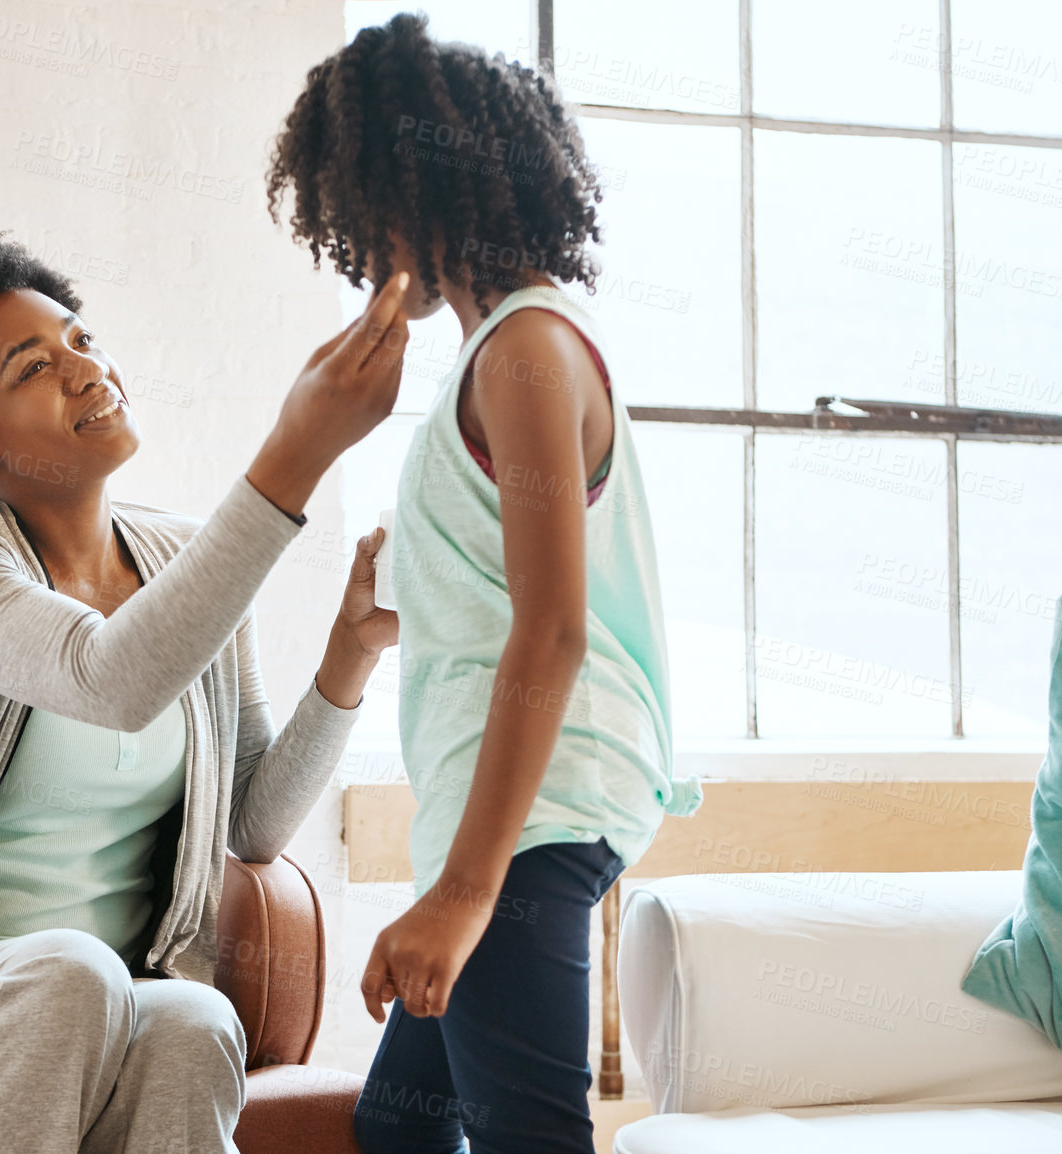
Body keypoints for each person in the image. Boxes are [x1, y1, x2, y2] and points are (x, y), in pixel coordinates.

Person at [0, 229, 411, 1154]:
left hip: (108, 987)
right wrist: (300, 448)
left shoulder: (183, 563)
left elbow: (251, 825)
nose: (87, 370)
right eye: (32, 367)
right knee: (70, 970)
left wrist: (351, 652)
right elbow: (110, 676)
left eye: (81, 340)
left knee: (193, 1020)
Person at [266, 15, 703, 1154]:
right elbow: (508, 600)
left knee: (529, 1139)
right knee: (397, 1130)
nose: (348, 241)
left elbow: (553, 633)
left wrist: (464, 893)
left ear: (416, 186)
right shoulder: (501, 351)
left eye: (354, 206)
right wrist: (381, 625)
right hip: (511, 814)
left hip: (532, 821)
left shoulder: (522, 350)